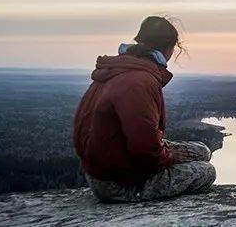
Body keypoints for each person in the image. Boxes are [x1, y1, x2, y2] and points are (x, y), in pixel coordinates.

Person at [73, 16, 216, 202]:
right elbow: (144, 150)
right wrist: (169, 156)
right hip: (119, 183)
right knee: (206, 171)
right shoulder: (139, 82)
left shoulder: (120, 68)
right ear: (169, 49)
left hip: (109, 165)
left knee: (202, 151)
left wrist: (166, 153)